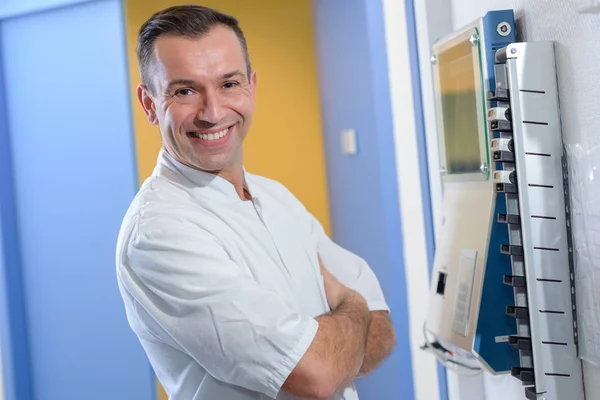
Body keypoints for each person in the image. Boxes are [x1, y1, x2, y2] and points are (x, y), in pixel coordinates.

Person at [116, 5, 396, 400]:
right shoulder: (159, 233)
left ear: (251, 85)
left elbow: (383, 332)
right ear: (149, 104)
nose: (212, 113)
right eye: (184, 90)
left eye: (228, 84)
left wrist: (331, 339)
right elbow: (318, 375)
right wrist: (352, 304)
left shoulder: (276, 197)